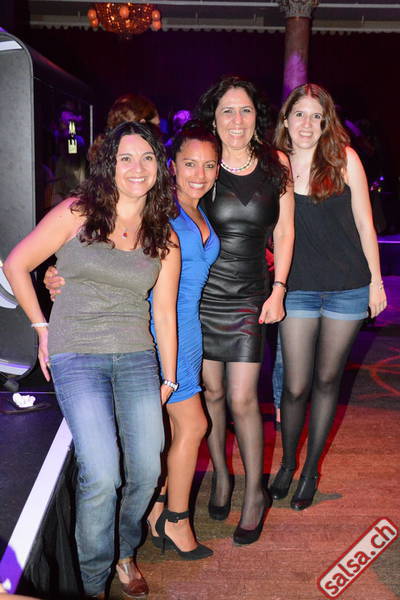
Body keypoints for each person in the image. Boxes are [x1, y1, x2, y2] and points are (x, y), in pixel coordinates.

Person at [4, 121, 180, 599]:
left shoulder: (163, 235)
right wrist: (41, 328)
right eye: (126, 158)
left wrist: (169, 377)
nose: (137, 167)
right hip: (77, 351)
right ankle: (93, 580)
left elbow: (164, 312)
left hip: (137, 356)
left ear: (159, 167)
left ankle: (124, 550)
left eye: (147, 157)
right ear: (110, 165)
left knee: (147, 469)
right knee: (102, 472)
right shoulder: (77, 211)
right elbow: (16, 263)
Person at [44, 121, 221, 560]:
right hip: (148, 331)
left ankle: (155, 518)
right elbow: (99, 253)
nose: (199, 173)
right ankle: (168, 519)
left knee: (161, 442)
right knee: (184, 429)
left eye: (209, 165)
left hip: (184, 331)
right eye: (189, 164)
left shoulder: (192, 209)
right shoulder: (156, 208)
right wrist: (56, 279)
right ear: (171, 166)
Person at [269, 83, 387, 511]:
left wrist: (376, 283)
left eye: (316, 116)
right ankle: (287, 463)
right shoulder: (275, 164)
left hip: (347, 288)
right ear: (286, 119)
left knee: (326, 382)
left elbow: (365, 225)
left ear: (326, 123)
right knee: (294, 385)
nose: (307, 124)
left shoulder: (344, 159)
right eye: (299, 114)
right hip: (297, 289)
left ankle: (310, 471)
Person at [195, 76, 294, 545]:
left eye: (246, 110)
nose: (237, 120)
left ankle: (255, 492)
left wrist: (279, 290)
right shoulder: (204, 164)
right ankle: (222, 475)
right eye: (227, 111)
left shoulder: (277, 164)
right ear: (214, 118)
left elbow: (286, 232)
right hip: (203, 294)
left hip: (252, 294)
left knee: (241, 398)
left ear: (258, 116)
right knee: (211, 395)